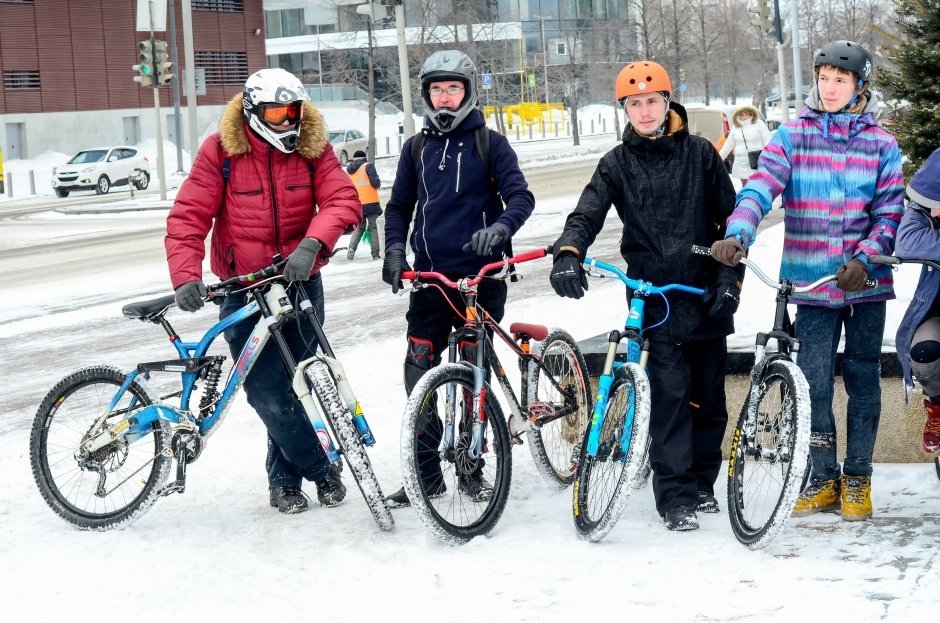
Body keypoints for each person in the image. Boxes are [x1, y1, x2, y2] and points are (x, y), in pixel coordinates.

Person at [711, 40, 905, 522]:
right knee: (814, 380)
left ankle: (857, 477)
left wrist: (868, 257)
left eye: (841, 80)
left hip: (865, 282)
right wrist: (738, 233)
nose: (831, 87)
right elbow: (762, 187)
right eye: (824, 78)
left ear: (860, 86)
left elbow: (890, 210)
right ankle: (822, 476)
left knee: (863, 378)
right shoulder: (792, 137)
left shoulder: (882, 144)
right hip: (812, 284)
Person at [550, 60, 740, 532]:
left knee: (709, 397)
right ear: (625, 109)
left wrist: (728, 281)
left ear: (667, 102)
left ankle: (701, 484)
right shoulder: (617, 163)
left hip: (704, 289)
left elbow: (732, 221)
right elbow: (587, 211)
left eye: (652, 101)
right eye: (635, 103)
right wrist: (569, 251)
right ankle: (674, 496)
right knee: (671, 397)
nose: (645, 110)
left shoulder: (700, 154)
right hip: (653, 297)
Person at [165, 68, 362, 514]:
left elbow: (342, 201)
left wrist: (312, 244)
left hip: (299, 280)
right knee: (267, 390)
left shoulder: (313, 148)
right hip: (245, 288)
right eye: (276, 112)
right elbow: (188, 217)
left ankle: (283, 484)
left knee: (298, 387)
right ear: (254, 112)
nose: (286, 121)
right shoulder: (222, 151)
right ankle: (321, 468)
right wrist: (185, 276)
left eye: (293, 111)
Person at [381, 49, 535, 507]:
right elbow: (399, 207)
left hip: (481, 277)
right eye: (436, 90)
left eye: (453, 89)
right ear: (426, 95)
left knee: (472, 370)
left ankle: (471, 467)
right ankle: (427, 476)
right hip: (430, 277)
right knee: (419, 370)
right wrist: (393, 249)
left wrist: (501, 229)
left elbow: (520, 197)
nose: (444, 99)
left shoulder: (491, 143)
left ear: (467, 92)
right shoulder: (416, 148)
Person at [895, 148, 940, 455]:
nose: (932, 213)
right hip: (938, 316)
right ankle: (937, 406)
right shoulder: (926, 207)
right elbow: (907, 242)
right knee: (924, 353)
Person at [718, 105, 772, 185]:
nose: (744, 117)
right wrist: (718, 159)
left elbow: (768, 141)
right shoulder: (736, 128)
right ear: (738, 116)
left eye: (746, 114)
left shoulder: (759, 124)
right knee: (746, 188)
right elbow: (728, 145)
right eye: (742, 115)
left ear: (751, 114)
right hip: (741, 164)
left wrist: (771, 157)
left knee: (758, 187)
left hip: (757, 162)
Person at [345, 153, 383, 260]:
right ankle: (375, 254)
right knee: (373, 227)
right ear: (364, 157)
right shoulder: (368, 166)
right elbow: (376, 183)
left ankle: (351, 248)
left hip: (357, 204)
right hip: (371, 202)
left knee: (359, 228)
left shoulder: (349, 171)